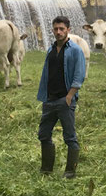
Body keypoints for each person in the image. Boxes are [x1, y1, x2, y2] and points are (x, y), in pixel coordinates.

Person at [37, 16, 86, 178]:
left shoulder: (75, 50)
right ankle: (46, 169)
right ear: (52, 30)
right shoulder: (50, 50)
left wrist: (70, 96)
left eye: (62, 29)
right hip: (49, 100)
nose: (58, 32)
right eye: (56, 29)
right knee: (43, 134)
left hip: (65, 100)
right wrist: (44, 97)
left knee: (70, 137)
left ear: (68, 30)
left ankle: (70, 172)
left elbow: (79, 76)